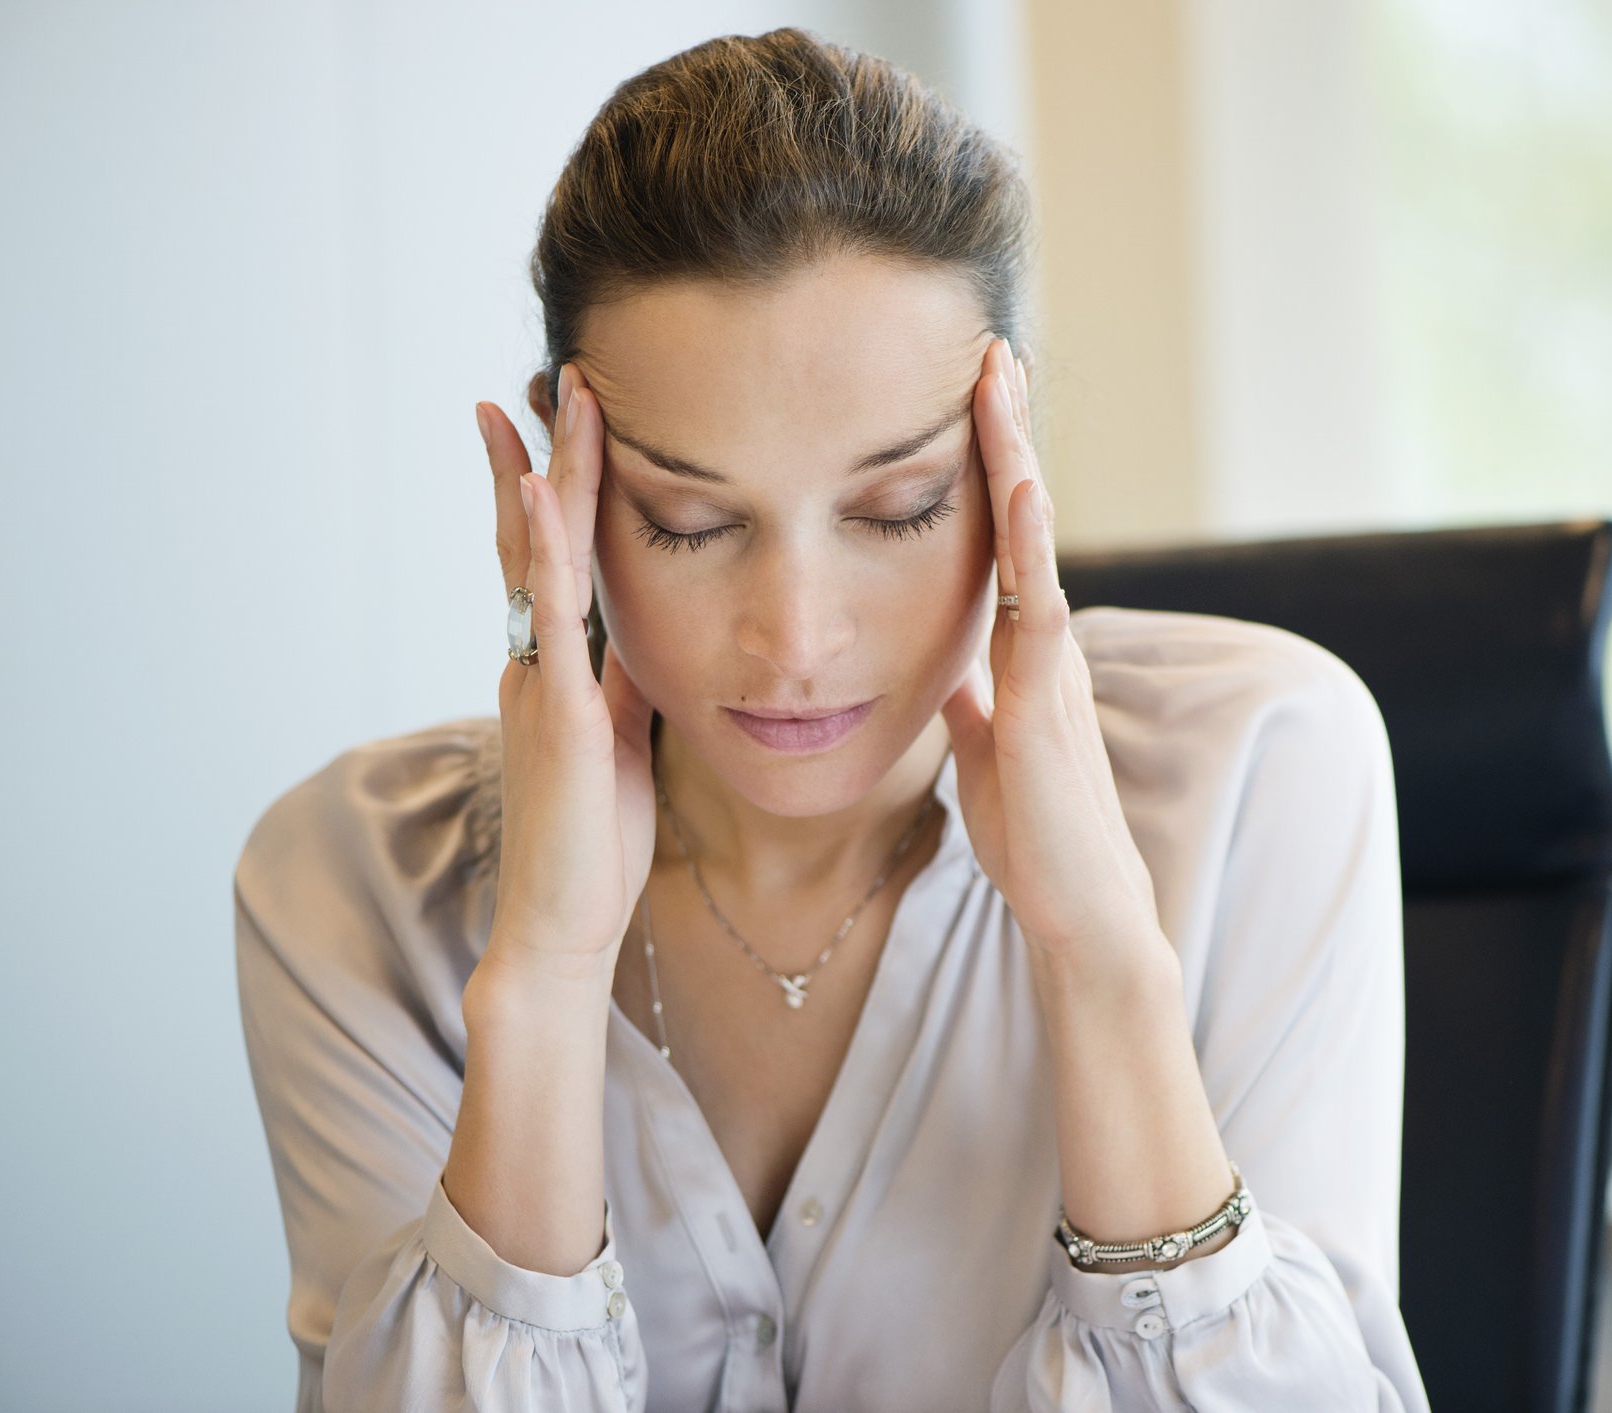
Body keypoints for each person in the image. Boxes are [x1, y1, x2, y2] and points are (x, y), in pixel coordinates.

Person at [234, 26, 1431, 1413]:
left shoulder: (1259, 769)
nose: (795, 638)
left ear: (1005, 453)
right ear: (554, 493)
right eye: (688, 522)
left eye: (896, 508)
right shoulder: (356, 881)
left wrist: (1104, 956)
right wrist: (550, 979)